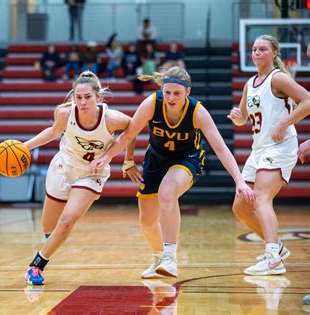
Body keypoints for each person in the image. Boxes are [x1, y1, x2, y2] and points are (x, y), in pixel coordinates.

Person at [91, 66, 254, 278]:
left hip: (187, 159)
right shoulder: (151, 104)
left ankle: (170, 257)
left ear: (187, 92)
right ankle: (159, 257)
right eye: (167, 92)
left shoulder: (198, 112)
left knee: (167, 192)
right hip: (156, 159)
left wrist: (239, 181)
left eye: (177, 93)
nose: (171, 97)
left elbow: (221, 148)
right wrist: (107, 157)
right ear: (162, 90)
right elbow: (128, 135)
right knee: (147, 221)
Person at [23, 71, 135, 285]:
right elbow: (53, 132)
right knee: (49, 230)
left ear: (98, 97)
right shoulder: (65, 114)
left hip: (90, 174)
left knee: (66, 221)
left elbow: (132, 130)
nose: (83, 102)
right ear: (73, 97)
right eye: (78, 97)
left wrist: (126, 159)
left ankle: (36, 266)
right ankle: (52, 243)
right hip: (64, 168)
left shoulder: (112, 119)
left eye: (88, 97)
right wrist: (25, 147)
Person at [228, 35, 310, 276]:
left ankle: (273, 258)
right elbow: (244, 117)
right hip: (259, 149)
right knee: (241, 206)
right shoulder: (250, 83)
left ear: (274, 52)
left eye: (262, 49)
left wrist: (285, 122)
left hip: (281, 145)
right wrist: (238, 117)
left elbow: (307, 100)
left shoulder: (279, 78)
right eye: (254, 49)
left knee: (262, 198)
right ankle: (277, 247)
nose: (257, 53)